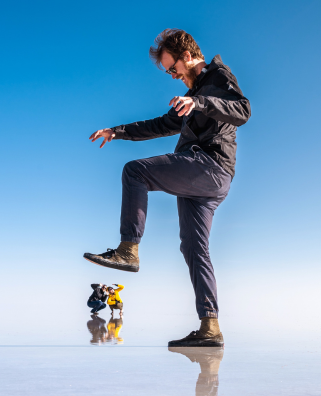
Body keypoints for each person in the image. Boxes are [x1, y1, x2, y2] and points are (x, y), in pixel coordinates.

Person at [83, 29, 251, 347]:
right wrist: (116, 131)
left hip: (210, 167)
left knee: (135, 172)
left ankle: (127, 250)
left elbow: (243, 111)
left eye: (172, 68)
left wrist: (198, 101)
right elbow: (161, 124)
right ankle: (210, 327)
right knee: (194, 249)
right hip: (199, 180)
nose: (173, 76)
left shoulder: (217, 76)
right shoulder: (190, 98)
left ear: (187, 56)